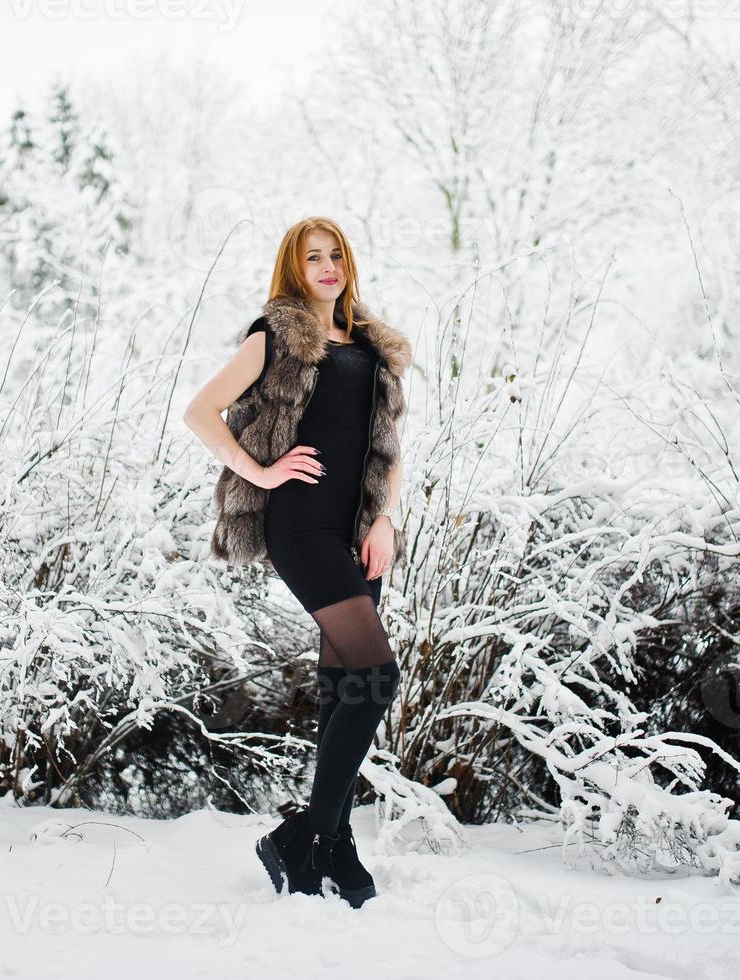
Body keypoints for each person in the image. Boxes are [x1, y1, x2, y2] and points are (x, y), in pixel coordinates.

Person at [183, 216, 413, 906]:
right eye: (312, 256)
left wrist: (383, 518)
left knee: (348, 686)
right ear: (294, 267)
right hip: (301, 527)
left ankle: (329, 846)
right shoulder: (275, 337)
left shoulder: (373, 346)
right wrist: (261, 468)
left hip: (354, 530)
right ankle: (307, 835)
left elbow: (387, 446)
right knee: (376, 676)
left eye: (335, 253)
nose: (327, 265)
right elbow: (200, 412)